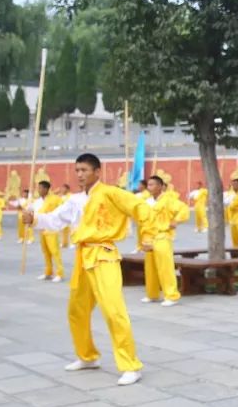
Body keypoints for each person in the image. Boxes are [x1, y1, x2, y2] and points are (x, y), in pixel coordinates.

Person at [26, 154, 150, 385]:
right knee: (77, 310)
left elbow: (139, 207)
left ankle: (130, 365)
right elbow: (55, 220)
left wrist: (149, 235)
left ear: (97, 172)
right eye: (77, 170)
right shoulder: (74, 200)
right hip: (83, 256)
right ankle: (87, 356)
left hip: (103, 255)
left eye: (84, 169)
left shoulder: (111, 193)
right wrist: (33, 219)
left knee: (113, 311)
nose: (80, 174)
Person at [139, 175, 189, 306]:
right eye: (148, 185)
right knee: (150, 267)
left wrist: (176, 220)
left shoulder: (168, 200)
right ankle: (152, 294)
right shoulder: (147, 201)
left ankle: (171, 295)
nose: (150, 187)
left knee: (165, 266)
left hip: (162, 235)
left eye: (153, 184)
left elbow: (183, 208)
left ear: (160, 186)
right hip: (149, 237)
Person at [33, 180, 65, 282]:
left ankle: (59, 273)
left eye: (41, 188)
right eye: (38, 188)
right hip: (42, 229)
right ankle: (48, 272)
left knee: (54, 251)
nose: (39, 190)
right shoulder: (37, 202)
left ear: (46, 189)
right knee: (45, 252)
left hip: (51, 229)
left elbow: (63, 210)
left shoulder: (55, 199)